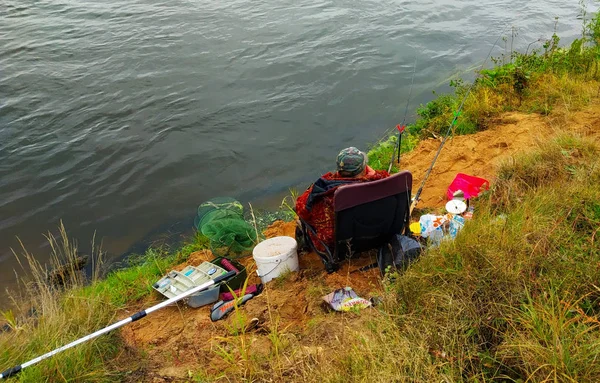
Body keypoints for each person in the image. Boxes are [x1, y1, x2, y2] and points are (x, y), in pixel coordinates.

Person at [295, 147, 390, 253]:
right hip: (377, 234)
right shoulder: (381, 183)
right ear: (364, 168)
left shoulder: (325, 191)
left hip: (340, 246)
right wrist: (372, 175)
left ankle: (304, 251)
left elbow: (301, 210)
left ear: (339, 169)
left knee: (300, 221)